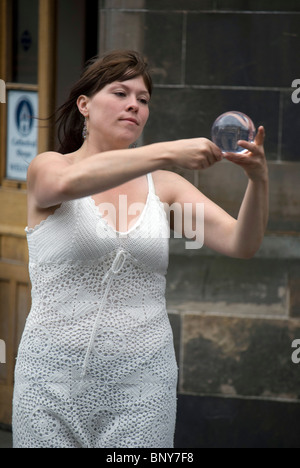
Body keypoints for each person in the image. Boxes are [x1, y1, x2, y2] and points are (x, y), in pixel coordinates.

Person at [12, 50, 268, 448]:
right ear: (85, 104)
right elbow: (59, 188)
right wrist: (166, 151)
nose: (134, 103)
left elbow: (242, 243)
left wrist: (259, 181)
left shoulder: (164, 186)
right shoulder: (50, 167)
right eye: (120, 93)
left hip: (142, 385)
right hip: (50, 382)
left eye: (143, 99)